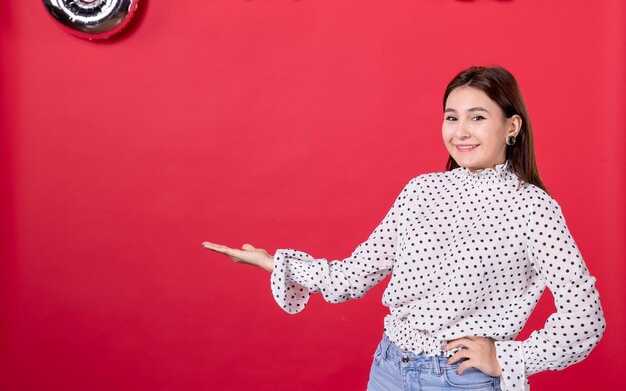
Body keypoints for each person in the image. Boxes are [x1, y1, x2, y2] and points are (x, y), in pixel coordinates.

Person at [202, 66, 605, 391]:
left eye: (477, 118)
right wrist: (274, 263)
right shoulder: (421, 192)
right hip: (390, 367)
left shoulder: (534, 209)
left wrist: (509, 358)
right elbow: (353, 275)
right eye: (451, 118)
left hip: (462, 381)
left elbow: (585, 318)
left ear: (512, 127)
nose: (460, 131)